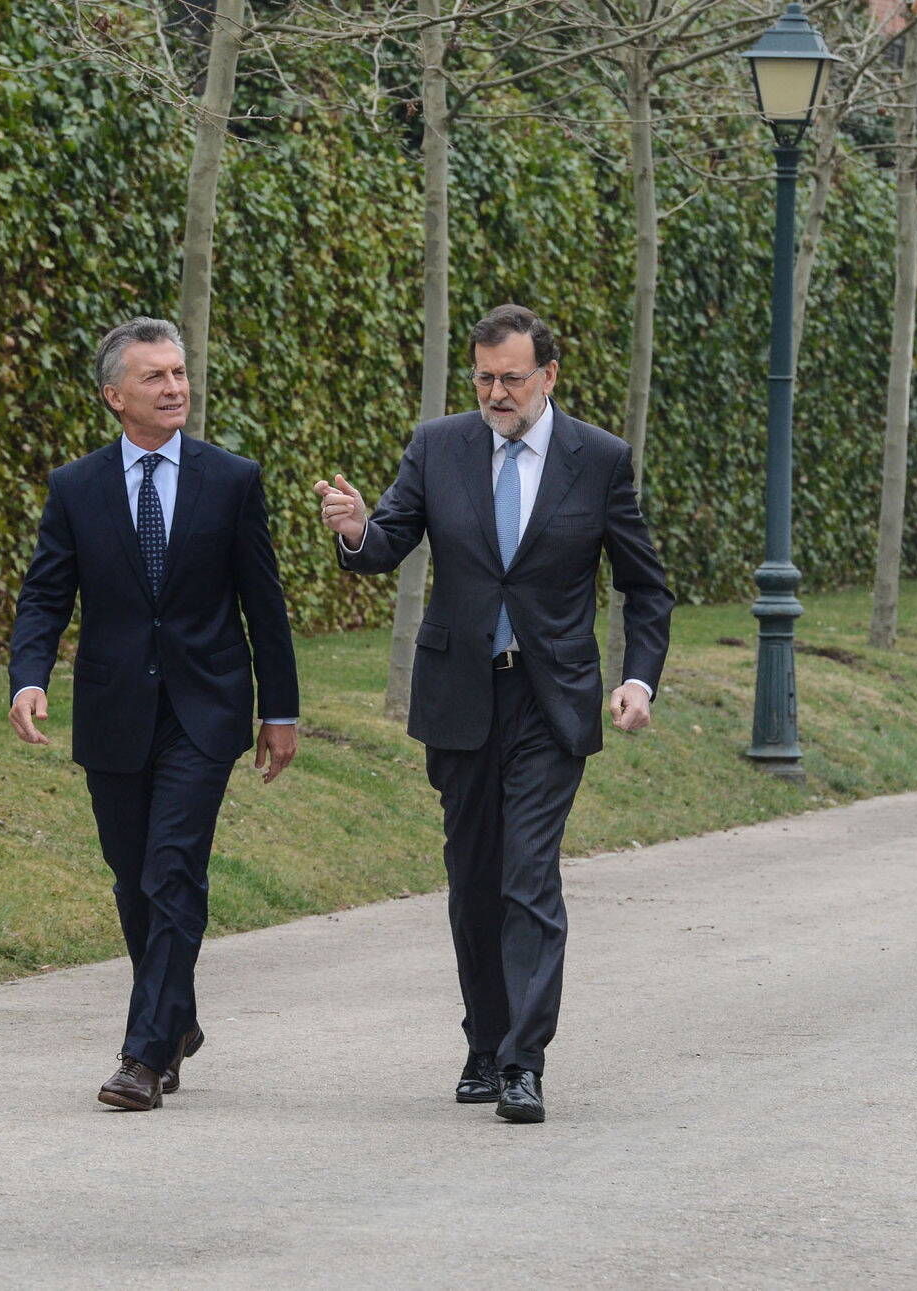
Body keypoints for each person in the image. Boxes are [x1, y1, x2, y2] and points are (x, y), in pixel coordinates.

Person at [314, 303, 672, 1125]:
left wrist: (638, 680)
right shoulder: (438, 446)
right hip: (461, 695)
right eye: (483, 377)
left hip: (551, 700)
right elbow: (386, 542)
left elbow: (644, 586)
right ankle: (484, 1043)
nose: (496, 392)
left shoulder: (599, 459)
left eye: (512, 378)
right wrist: (355, 528)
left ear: (549, 375)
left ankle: (523, 1063)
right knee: (474, 878)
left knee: (528, 876)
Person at [8, 316, 300, 1111]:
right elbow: (45, 594)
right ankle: (175, 1019)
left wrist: (280, 709)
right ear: (115, 396)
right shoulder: (76, 487)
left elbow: (264, 604)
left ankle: (141, 1057)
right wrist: (27, 677)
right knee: (134, 878)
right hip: (114, 710)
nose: (175, 388)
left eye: (179, 373)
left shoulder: (231, 479)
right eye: (155, 377)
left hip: (205, 708)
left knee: (172, 868)